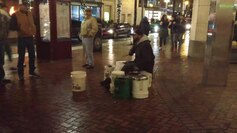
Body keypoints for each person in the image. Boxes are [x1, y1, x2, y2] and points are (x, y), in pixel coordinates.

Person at [10, 1, 39, 81]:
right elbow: (12, 26)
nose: (26, 7)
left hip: (30, 37)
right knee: (21, 56)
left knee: (32, 54)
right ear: (20, 6)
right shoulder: (15, 15)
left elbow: (35, 23)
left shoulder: (31, 14)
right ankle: (21, 74)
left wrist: (33, 30)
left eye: (27, 6)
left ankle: (32, 71)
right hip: (22, 38)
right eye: (25, 5)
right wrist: (20, 28)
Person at [0, 2, 11, 86]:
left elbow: (6, 28)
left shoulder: (4, 16)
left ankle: (1, 77)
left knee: (1, 59)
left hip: (2, 40)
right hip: (2, 40)